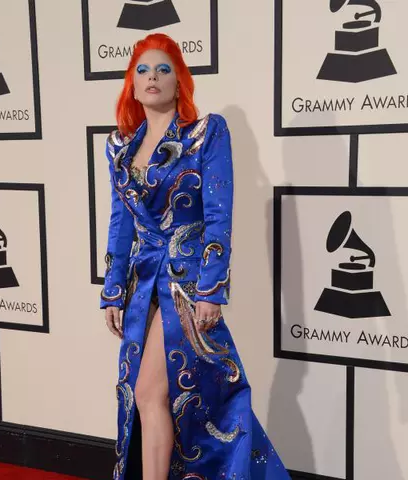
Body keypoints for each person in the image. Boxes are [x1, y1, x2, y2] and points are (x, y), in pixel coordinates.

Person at [101, 33, 291, 480]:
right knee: (154, 398)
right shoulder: (119, 148)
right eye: (143, 70)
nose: (152, 77)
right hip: (142, 288)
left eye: (163, 69)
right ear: (132, 85)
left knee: (152, 393)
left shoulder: (206, 133)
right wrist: (112, 290)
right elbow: (120, 224)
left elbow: (219, 216)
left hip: (186, 285)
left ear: (179, 81)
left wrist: (211, 288)